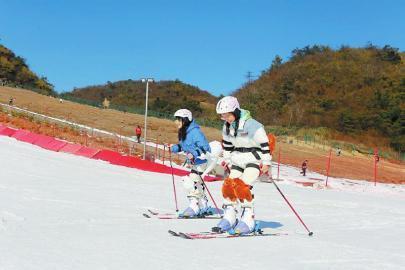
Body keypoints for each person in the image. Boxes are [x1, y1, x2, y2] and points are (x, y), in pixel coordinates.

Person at [214, 96, 272, 234]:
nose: (225, 118)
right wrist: (227, 160)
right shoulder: (227, 126)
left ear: (235, 111)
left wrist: (267, 162)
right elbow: (227, 145)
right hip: (237, 159)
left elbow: (265, 144)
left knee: (242, 186)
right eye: (223, 116)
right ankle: (230, 217)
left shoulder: (252, 125)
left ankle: (248, 220)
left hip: (253, 158)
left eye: (227, 115)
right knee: (228, 186)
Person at [170, 109, 213, 217]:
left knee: (191, 181)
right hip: (195, 162)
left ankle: (194, 206)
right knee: (198, 183)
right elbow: (183, 146)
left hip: (202, 160)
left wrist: (194, 153)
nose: (176, 122)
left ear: (185, 120)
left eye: (179, 120)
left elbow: (206, 148)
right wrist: (174, 148)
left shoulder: (195, 132)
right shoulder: (185, 132)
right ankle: (204, 205)